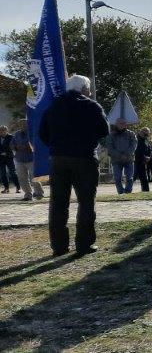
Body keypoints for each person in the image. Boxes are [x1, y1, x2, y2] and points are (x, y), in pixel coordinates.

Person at [40, 74, 109, 256]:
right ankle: (84, 245)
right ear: (84, 89)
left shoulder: (53, 106)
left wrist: (57, 147)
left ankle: (59, 247)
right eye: (89, 88)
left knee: (58, 203)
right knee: (86, 202)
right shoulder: (92, 106)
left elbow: (42, 133)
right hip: (84, 158)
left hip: (58, 159)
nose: (91, 91)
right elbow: (104, 130)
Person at [12, 119, 44, 200]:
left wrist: (28, 147)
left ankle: (38, 193)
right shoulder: (16, 134)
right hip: (19, 159)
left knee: (34, 177)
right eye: (21, 124)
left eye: (24, 124)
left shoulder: (33, 133)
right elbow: (12, 144)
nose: (22, 125)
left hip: (31, 158)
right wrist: (15, 147)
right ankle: (27, 194)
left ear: (28, 124)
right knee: (22, 178)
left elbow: (36, 144)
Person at [105, 118, 137, 195]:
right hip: (116, 160)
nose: (122, 125)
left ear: (126, 125)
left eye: (123, 123)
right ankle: (121, 192)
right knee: (117, 178)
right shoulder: (111, 135)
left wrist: (126, 154)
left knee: (130, 177)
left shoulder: (131, 134)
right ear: (116, 124)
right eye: (120, 123)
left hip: (129, 159)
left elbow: (134, 145)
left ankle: (128, 192)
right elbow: (110, 147)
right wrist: (119, 155)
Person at [0, 125, 20, 194]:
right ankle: (6, 188)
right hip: (1, 158)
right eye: (0, 130)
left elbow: (14, 146)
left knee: (13, 172)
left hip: (9, 157)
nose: (1, 131)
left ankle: (18, 187)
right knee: (3, 174)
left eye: (3, 130)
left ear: (6, 130)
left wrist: (6, 152)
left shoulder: (11, 137)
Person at [133, 127, 152, 192]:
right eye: (145, 133)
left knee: (144, 179)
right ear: (141, 132)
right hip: (135, 161)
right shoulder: (135, 139)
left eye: (148, 134)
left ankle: (146, 192)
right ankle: (126, 192)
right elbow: (137, 151)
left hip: (143, 162)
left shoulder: (146, 140)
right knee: (133, 177)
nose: (147, 135)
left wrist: (148, 157)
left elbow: (149, 150)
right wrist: (145, 157)